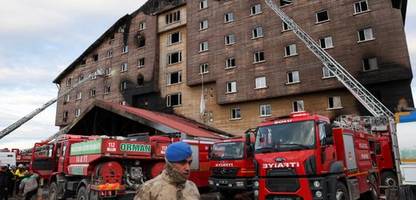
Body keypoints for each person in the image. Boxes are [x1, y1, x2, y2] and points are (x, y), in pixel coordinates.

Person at [134, 142, 200, 200]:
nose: (188, 168)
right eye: (182, 163)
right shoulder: (149, 189)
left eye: (190, 162)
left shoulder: (192, 187)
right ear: (169, 164)